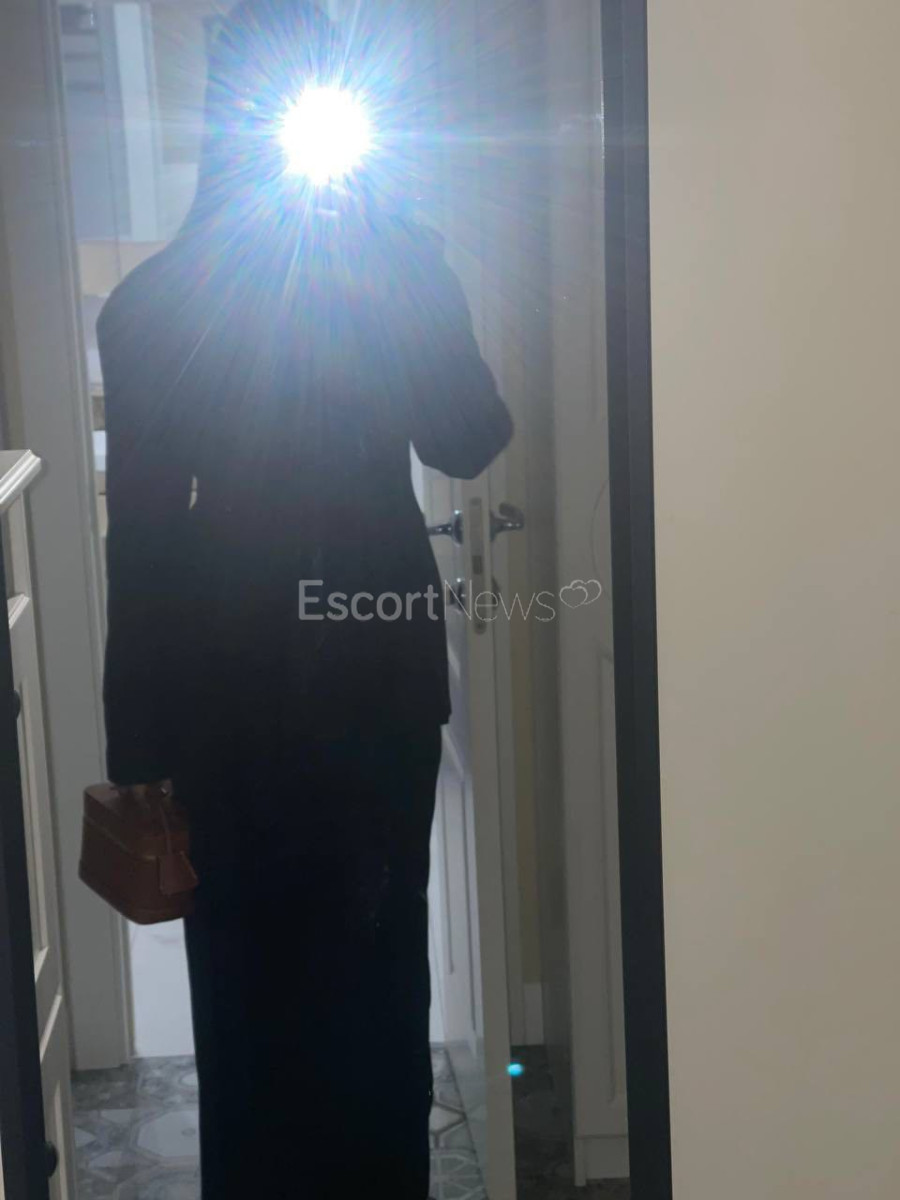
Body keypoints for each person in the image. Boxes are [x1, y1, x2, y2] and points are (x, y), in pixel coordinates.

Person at [98, 1, 512, 1197]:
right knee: (372, 997)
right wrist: (406, 264)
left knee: (246, 1009)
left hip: (232, 704)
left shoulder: (152, 302)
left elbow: (142, 543)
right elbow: (475, 437)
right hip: (363, 692)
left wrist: (139, 749)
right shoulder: (385, 268)